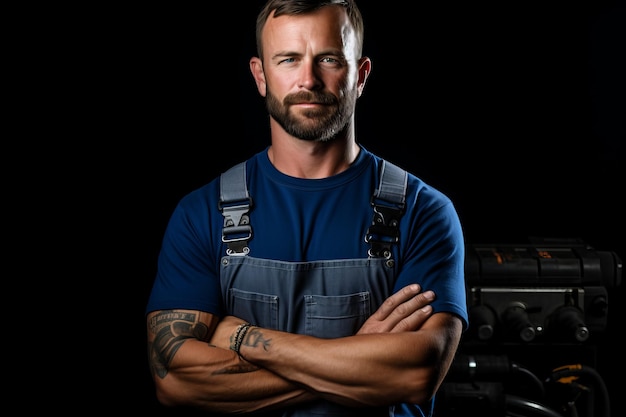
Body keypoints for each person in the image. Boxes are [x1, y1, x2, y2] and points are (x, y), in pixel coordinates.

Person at [145, 1, 468, 416]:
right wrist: (358, 363)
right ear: (261, 76)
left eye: (329, 59)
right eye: (288, 59)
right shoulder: (201, 213)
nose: (308, 80)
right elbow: (174, 380)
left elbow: (414, 376)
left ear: (361, 75)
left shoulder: (424, 212)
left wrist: (241, 337)